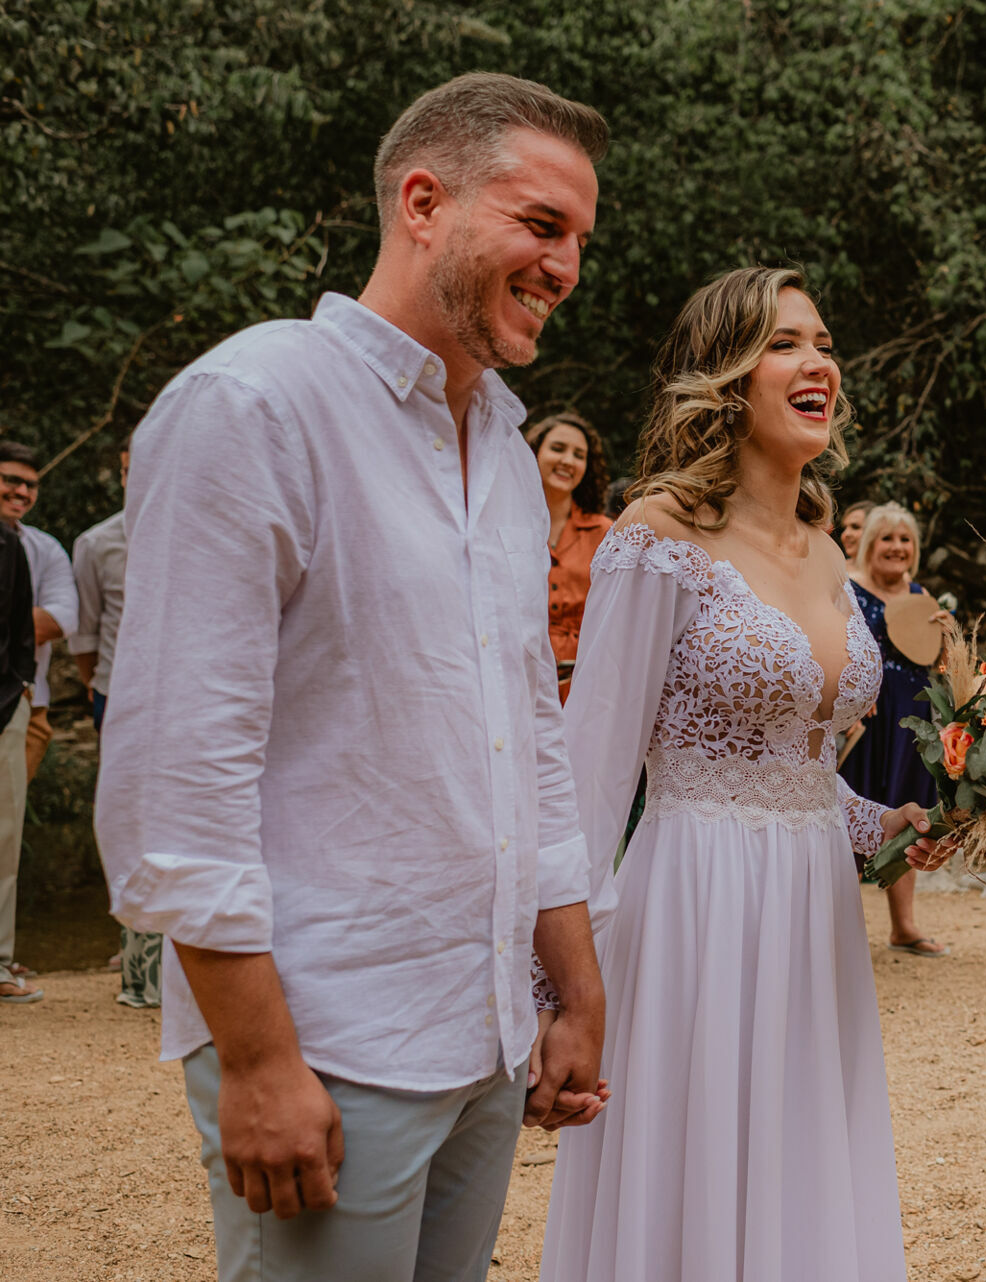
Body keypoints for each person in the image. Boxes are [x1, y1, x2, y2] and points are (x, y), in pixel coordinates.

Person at [95, 73, 612, 1280]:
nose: (568, 267)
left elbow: (527, 737)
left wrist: (574, 990)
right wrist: (262, 1059)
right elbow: (180, 773)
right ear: (423, 202)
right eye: (542, 226)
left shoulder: (499, 436)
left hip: (483, 1029)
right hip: (328, 1034)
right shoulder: (255, 404)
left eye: (581, 240)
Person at [542, 266, 946, 1282]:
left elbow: (798, 767)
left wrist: (882, 820)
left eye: (822, 342)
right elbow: (588, 782)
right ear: (723, 376)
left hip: (812, 911)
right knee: (695, 1178)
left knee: (803, 1170)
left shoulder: (823, 548)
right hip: (694, 910)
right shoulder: (654, 538)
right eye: (784, 343)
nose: (819, 363)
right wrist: (557, 989)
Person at [72, 433, 160, 1006]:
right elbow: (85, 633)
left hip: (187, 697)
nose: (136, 478)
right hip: (117, 694)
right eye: (128, 469)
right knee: (128, 816)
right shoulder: (96, 543)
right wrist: (99, 688)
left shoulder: (203, 531)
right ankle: (136, 946)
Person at [840, 502, 950, 957]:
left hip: (913, 722)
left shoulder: (923, 597)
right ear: (869, 543)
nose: (897, 547)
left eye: (905, 540)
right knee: (846, 815)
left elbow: (937, 663)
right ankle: (836, 931)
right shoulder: (844, 589)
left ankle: (903, 927)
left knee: (909, 815)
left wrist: (949, 638)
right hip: (863, 720)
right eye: (887, 538)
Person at [0, 442, 78, 782]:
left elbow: (62, 619)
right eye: (11, 480)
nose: (21, 492)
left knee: (7, 822)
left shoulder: (45, 549)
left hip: (25, 702)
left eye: (30, 485)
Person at [528, 412, 613, 702]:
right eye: (557, 449)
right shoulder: (506, 522)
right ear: (534, 454)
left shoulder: (605, 533)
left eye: (579, 455)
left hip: (585, 684)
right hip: (521, 674)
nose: (568, 460)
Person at [0, 519, 40, 1004]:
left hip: (5, 704)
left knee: (5, 834)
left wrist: (21, 685)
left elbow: (20, 623)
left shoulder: (9, 542)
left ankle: (0, 962)